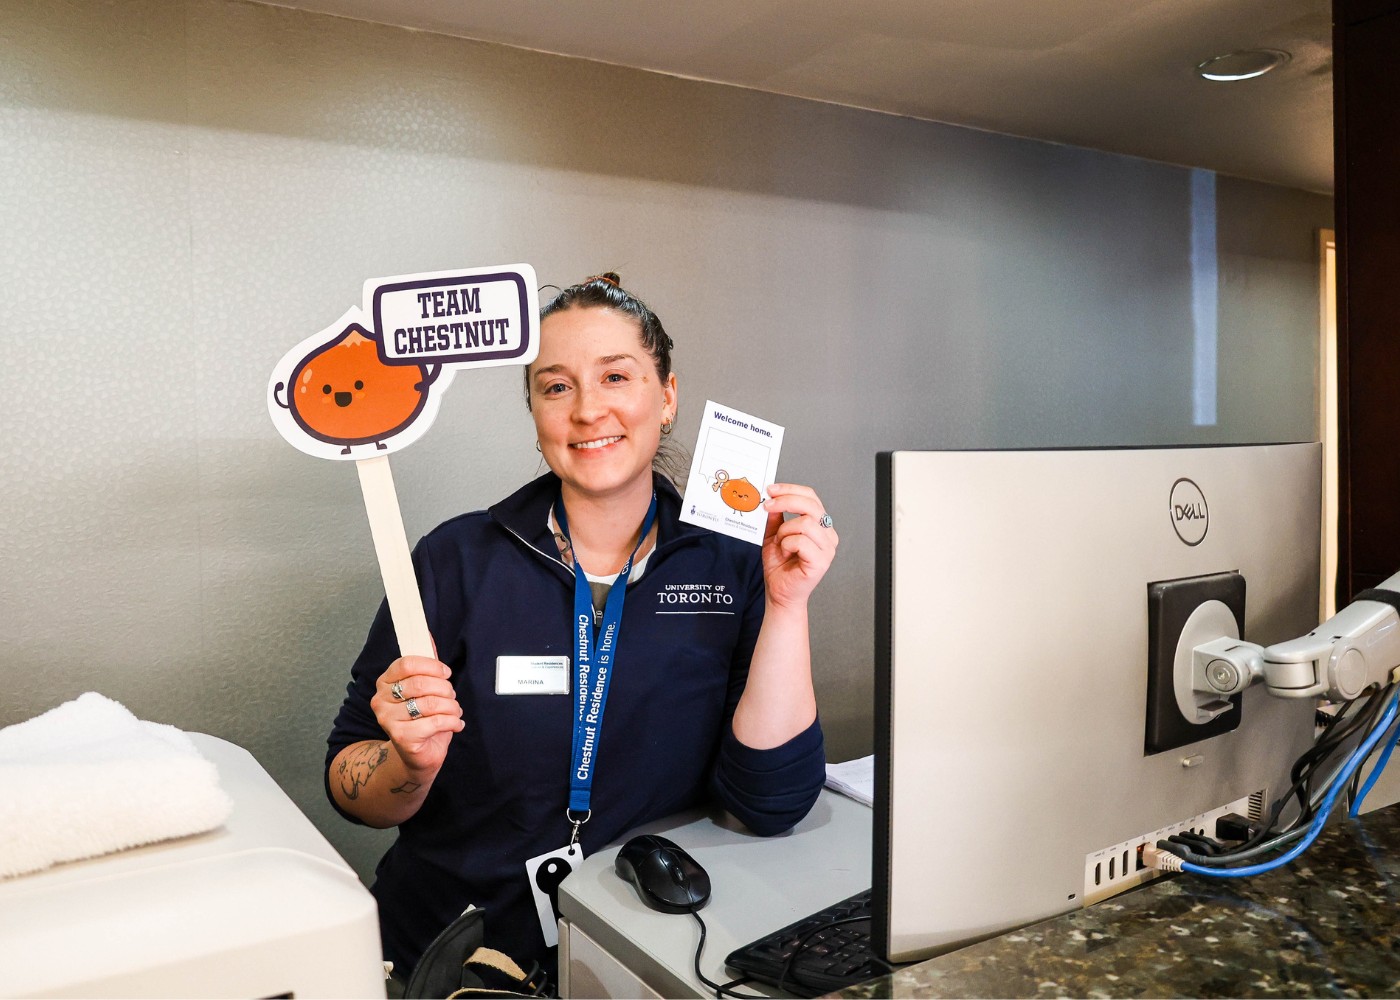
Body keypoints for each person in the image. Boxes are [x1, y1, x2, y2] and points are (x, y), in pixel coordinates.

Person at [325, 273, 840, 983]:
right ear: (535, 412)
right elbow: (349, 784)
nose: (588, 410)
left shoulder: (730, 563)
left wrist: (787, 604)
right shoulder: (456, 559)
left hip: (639, 954)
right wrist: (407, 767)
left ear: (666, 397)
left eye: (616, 377)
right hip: (448, 958)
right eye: (557, 386)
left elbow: (771, 803)